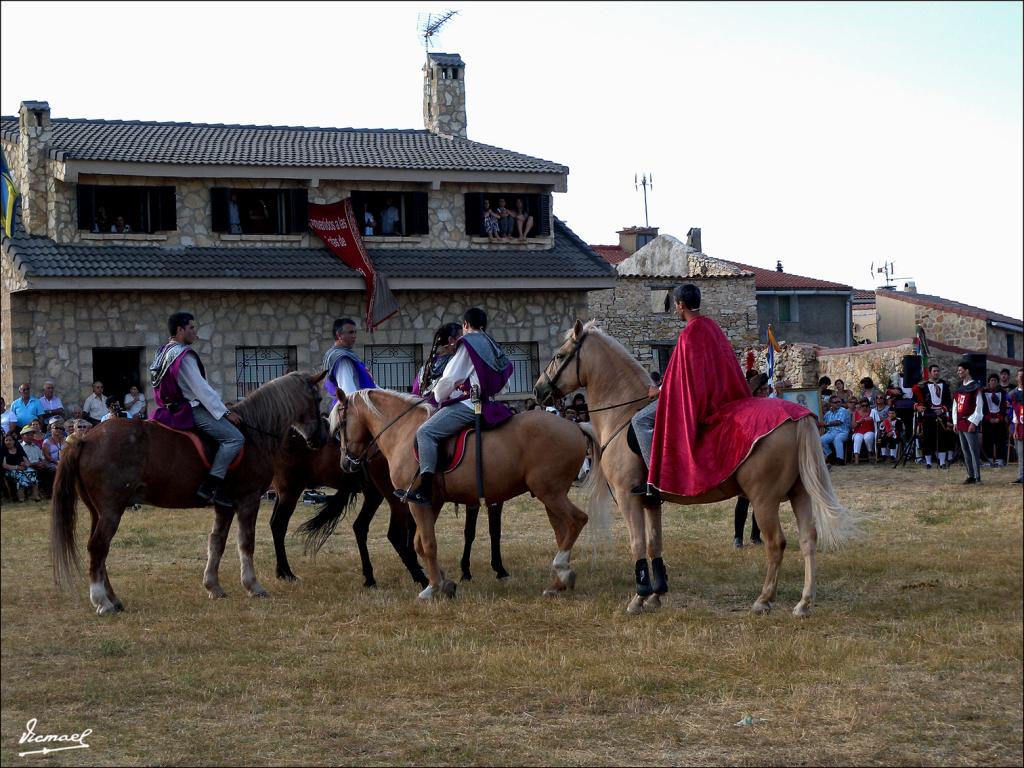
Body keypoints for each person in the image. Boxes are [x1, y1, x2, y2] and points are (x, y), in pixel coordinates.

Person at [631, 283, 806, 500]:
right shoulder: (712, 327)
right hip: (721, 394)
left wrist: (658, 390)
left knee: (640, 421)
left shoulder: (688, 335)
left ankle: (654, 482)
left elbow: (681, 378)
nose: (676, 310)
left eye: (675, 305)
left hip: (695, 400)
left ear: (681, 305)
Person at [400, 307, 513, 506]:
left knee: (425, 432)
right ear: (484, 325)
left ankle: (425, 490)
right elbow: (506, 381)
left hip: (471, 405)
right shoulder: (492, 344)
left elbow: (450, 378)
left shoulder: (468, 343)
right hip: (491, 403)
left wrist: (437, 397)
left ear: (466, 325)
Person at [150, 311, 244, 507]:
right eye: (192, 328)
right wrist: (225, 412)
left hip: (167, 409)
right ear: (180, 329)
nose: (196, 332)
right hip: (189, 409)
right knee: (234, 438)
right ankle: (211, 486)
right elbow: (202, 390)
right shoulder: (182, 354)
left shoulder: (162, 352)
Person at [733, 370, 769, 548]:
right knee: (743, 499)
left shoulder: (769, 406)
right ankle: (738, 537)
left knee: (760, 500)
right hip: (746, 456)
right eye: (761, 389)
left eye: (766, 389)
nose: (764, 392)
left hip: (763, 457)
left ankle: (756, 536)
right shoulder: (746, 407)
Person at [322, 317, 376, 409]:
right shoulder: (342, 358)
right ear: (339, 335)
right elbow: (349, 393)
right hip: (355, 411)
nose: (354, 336)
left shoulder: (340, 354)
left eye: (355, 332)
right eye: (350, 332)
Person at [913, 364, 953, 469]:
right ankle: (929, 462)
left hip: (941, 415)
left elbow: (949, 401)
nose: (936, 373)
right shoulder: (923, 386)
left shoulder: (945, 385)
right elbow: (915, 400)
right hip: (928, 415)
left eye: (937, 371)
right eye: (934, 371)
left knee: (942, 438)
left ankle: (942, 462)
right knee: (927, 439)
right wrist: (917, 407)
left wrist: (943, 409)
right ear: (930, 373)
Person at [952, 359, 985, 485]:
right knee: (965, 450)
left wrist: (973, 422)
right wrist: (955, 422)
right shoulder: (960, 388)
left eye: (960, 370)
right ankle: (970, 475)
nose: (958, 372)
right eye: (958, 370)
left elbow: (979, 407)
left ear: (967, 371)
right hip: (960, 423)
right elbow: (955, 406)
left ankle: (977, 476)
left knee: (973, 450)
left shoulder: (975, 387)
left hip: (970, 422)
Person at [413, 322, 463, 397]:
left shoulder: (428, 365)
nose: (464, 342)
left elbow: (415, 394)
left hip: (425, 406)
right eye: (462, 338)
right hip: (445, 406)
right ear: (451, 340)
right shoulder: (456, 363)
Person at [3, 432, 41, 502]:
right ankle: (21, 498)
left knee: (32, 472)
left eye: (10, 440)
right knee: (20, 475)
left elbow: (27, 462)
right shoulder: (3, 451)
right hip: (9, 470)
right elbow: (5, 465)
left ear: (14, 441)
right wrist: (17, 467)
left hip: (21, 468)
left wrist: (25, 465)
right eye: (6, 440)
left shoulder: (19, 449)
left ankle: (35, 495)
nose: (8, 442)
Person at [20, 424, 54, 497]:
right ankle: (41, 493)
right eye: (27, 435)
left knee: (52, 470)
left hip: (39, 466)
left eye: (31, 435)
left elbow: (42, 458)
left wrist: (42, 464)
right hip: (28, 467)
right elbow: (21, 462)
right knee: (41, 472)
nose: (30, 437)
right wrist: (34, 464)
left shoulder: (36, 447)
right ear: (22, 436)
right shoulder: (20, 448)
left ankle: (49, 493)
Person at [981, 374, 1007, 467]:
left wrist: (999, 418)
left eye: (995, 380)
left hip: (999, 420)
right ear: (988, 382)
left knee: (1000, 439)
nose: (993, 382)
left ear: (997, 382)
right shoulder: (983, 393)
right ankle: (989, 460)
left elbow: (1004, 406)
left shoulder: (1002, 393)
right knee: (988, 440)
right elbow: (982, 406)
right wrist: (988, 418)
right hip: (988, 420)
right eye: (991, 380)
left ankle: (1000, 459)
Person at [820, 396, 852, 465]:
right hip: (831, 432)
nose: (838, 403)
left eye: (839, 402)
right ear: (831, 404)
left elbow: (838, 422)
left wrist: (826, 424)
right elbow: (822, 421)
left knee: (837, 439)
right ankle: (830, 456)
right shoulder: (828, 413)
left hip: (843, 431)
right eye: (835, 402)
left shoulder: (843, 410)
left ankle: (840, 460)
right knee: (820, 440)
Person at [1009, 368, 1024, 484]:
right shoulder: (1014, 394)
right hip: (1020, 427)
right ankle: (1021, 476)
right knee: (1020, 453)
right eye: (1020, 375)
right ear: (1016, 378)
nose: (1021, 378)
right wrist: (1014, 429)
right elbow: (1015, 412)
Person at [851, 398, 876, 464]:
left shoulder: (872, 412)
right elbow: (852, 426)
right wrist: (858, 422)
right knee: (857, 438)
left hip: (869, 430)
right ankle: (856, 459)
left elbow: (877, 421)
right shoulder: (855, 413)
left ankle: (870, 452)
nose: (865, 407)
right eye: (863, 405)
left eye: (866, 405)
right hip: (858, 431)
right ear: (860, 405)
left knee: (868, 437)